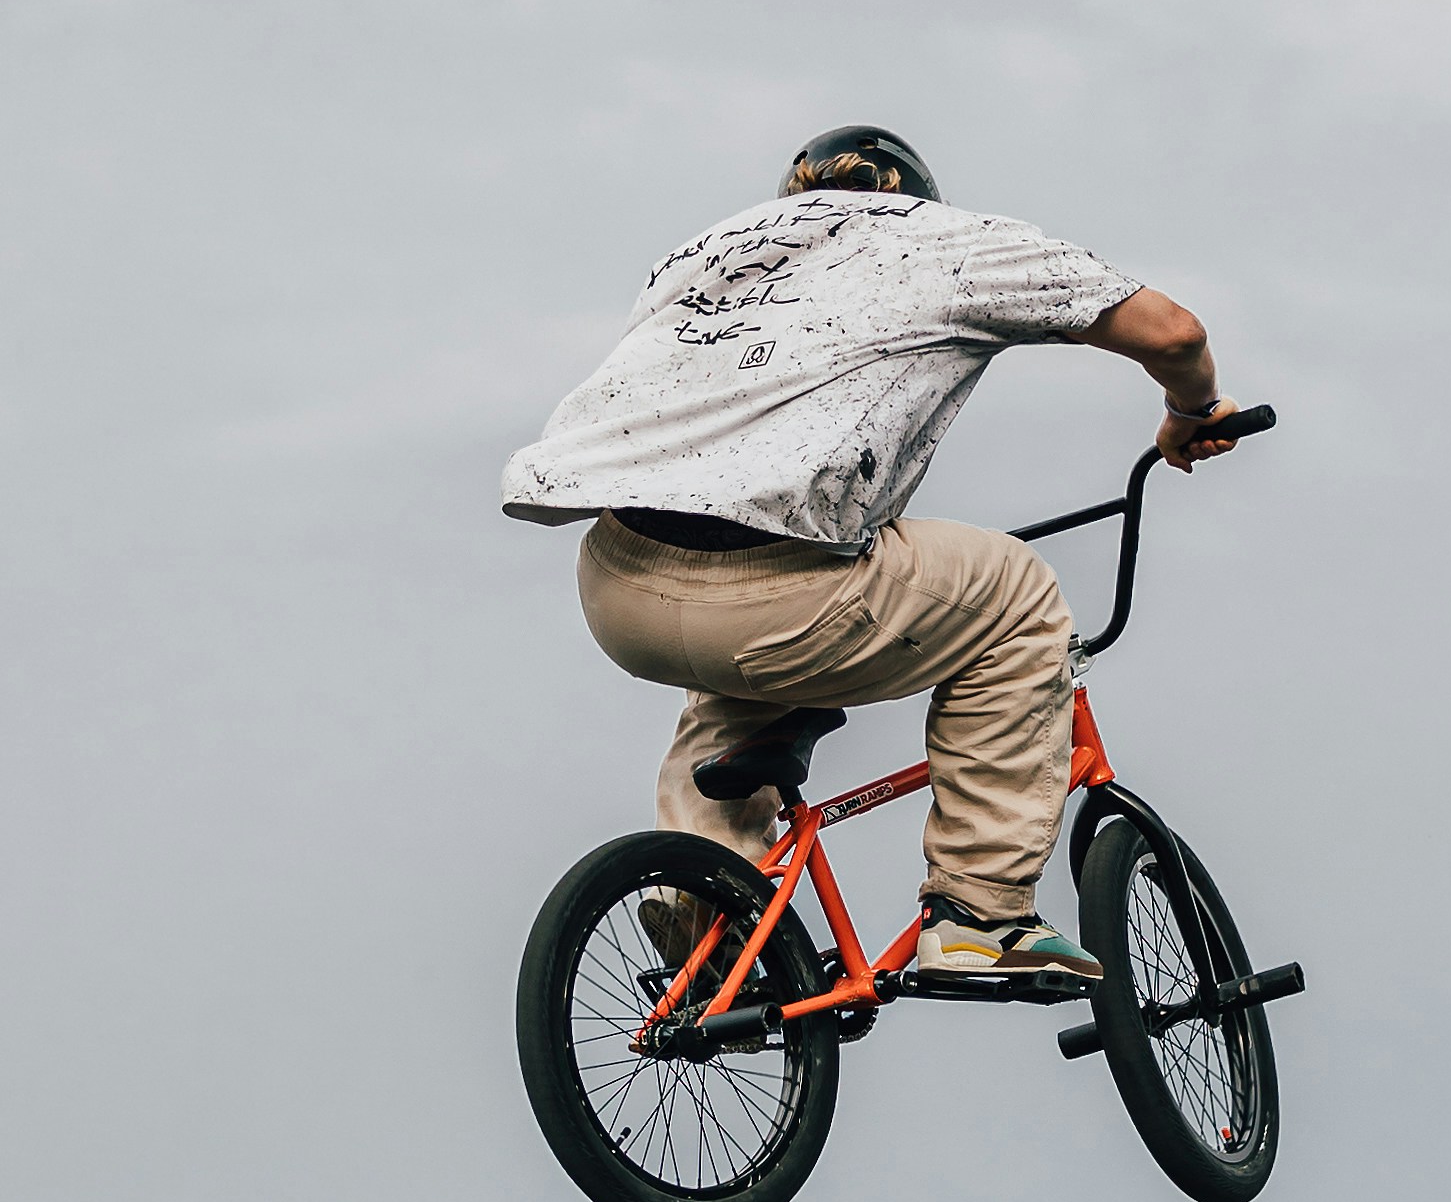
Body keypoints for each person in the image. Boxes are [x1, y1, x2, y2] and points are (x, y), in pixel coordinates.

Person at [502, 126, 1240, 987]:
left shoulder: (705, 253)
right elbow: (1174, 334)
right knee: (1017, 592)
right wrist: (1190, 414)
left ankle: (703, 911)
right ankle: (979, 917)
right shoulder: (946, 240)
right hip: (781, 600)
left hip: (620, 586)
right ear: (910, 193)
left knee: (745, 681)